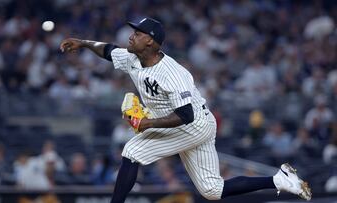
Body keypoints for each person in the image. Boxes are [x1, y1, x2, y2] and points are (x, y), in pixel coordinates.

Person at [60, 17, 311, 202]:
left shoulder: (173, 74)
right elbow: (108, 50)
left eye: (137, 33)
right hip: (189, 123)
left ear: (150, 41)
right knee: (212, 190)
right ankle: (279, 179)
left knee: (132, 150)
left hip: (194, 124)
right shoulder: (133, 57)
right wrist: (82, 43)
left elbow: (186, 115)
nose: (131, 36)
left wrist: (147, 124)